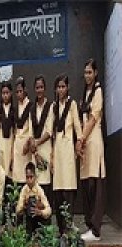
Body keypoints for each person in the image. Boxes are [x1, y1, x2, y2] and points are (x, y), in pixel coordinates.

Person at [78, 59, 105, 242]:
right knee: (87, 185)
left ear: (95, 73)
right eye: (85, 72)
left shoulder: (98, 92)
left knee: (95, 185)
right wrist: (80, 141)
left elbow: (93, 119)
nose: (87, 75)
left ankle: (96, 230)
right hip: (85, 144)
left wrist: (81, 139)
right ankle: (89, 225)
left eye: (90, 72)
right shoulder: (86, 93)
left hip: (93, 141)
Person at [51, 73, 82, 234]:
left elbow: (78, 127)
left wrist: (79, 142)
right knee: (58, 189)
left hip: (68, 150)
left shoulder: (72, 104)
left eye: (63, 86)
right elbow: (51, 131)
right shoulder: (53, 107)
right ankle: (61, 226)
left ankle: (69, 223)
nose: (61, 89)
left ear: (67, 88)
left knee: (69, 187)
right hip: (57, 150)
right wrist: (50, 155)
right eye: (59, 87)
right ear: (56, 89)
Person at [30, 75, 54, 195]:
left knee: (46, 181)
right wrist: (34, 150)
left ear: (45, 89)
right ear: (34, 89)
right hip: (35, 151)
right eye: (37, 87)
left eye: (41, 87)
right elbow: (30, 132)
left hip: (45, 148)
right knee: (36, 182)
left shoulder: (50, 107)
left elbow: (49, 131)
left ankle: (47, 212)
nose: (39, 90)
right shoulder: (32, 108)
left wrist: (37, 142)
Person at [17, 162, 51, 235]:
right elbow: (18, 209)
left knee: (47, 218)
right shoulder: (24, 190)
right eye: (27, 177)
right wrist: (24, 205)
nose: (29, 180)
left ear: (35, 177)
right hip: (28, 218)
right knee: (19, 217)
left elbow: (49, 210)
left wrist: (41, 211)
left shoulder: (39, 190)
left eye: (31, 177)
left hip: (38, 216)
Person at [12, 77, 33, 187]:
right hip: (17, 144)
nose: (19, 94)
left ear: (25, 90)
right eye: (17, 92)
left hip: (26, 145)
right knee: (17, 178)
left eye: (20, 91)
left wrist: (28, 142)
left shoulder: (30, 106)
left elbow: (31, 127)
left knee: (26, 176)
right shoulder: (16, 108)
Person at [0, 81, 15, 183]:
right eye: (3, 93)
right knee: (0, 173)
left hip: (10, 144)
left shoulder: (14, 110)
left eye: (7, 93)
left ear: (11, 93)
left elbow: (15, 131)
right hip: (1, 144)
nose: (5, 95)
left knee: (10, 174)